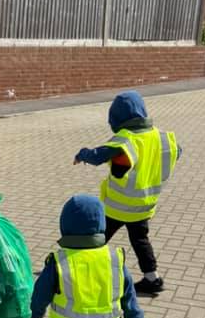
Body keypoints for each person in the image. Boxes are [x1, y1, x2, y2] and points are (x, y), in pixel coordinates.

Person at [73, 90, 179, 295]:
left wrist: (82, 153)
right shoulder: (162, 137)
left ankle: (78, 268)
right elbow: (178, 151)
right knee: (140, 240)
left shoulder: (126, 139)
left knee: (98, 236)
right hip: (144, 206)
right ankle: (152, 278)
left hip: (119, 206)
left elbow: (98, 156)